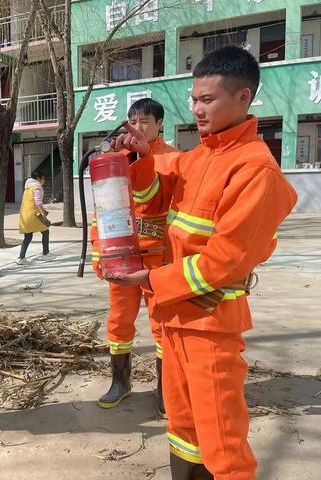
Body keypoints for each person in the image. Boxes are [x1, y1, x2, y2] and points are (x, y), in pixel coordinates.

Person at [107, 46, 297, 479]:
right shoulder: (196, 158)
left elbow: (224, 261)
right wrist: (141, 159)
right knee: (183, 426)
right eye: (194, 99)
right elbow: (151, 202)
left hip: (210, 322)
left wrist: (153, 278)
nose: (197, 109)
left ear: (244, 97)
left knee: (222, 440)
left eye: (207, 99)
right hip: (174, 318)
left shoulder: (255, 170)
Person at [90, 98, 178, 413]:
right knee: (119, 319)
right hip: (123, 255)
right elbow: (103, 211)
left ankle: (166, 389)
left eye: (145, 121)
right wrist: (99, 252)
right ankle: (120, 381)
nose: (138, 127)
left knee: (162, 322)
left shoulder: (175, 160)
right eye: (133, 121)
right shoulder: (115, 159)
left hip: (160, 256)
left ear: (160, 124)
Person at [17, 171, 54, 265]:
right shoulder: (36, 186)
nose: (44, 180)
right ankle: (45, 254)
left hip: (25, 215)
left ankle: (21, 258)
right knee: (45, 231)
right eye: (43, 178)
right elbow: (38, 202)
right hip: (34, 214)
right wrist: (43, 214)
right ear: (38, 178)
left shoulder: (27, 187)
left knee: (28, 236)